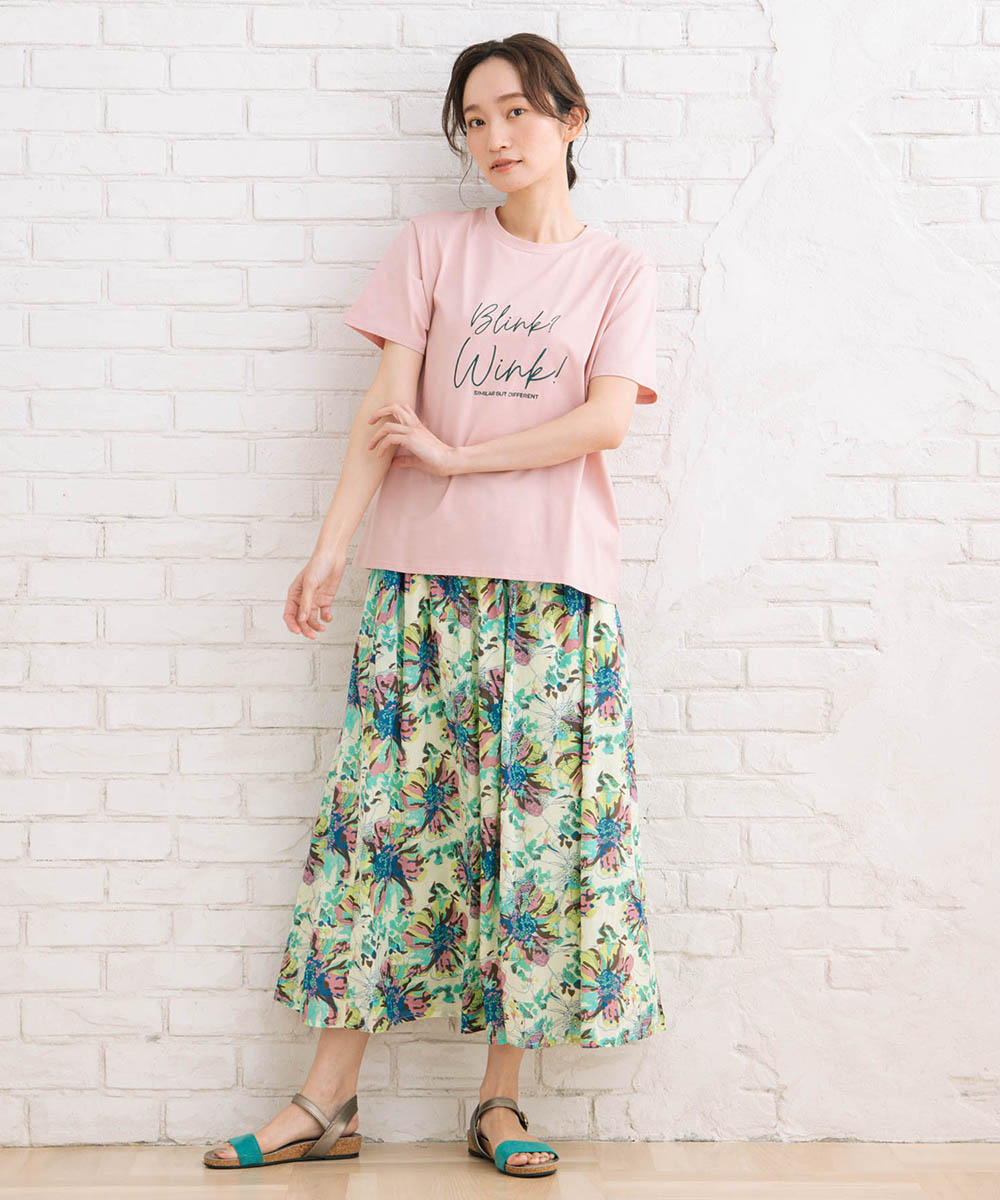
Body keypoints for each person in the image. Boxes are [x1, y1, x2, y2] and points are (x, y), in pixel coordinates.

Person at [204, 31, 667, 1181]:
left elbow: (606, 421)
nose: (494, 137)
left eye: (516, 112)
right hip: (420, 589)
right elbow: (383, 413)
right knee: (380, 833)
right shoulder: (433, 246)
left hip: (555, 595)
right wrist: (330, 550)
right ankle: (325, 1101)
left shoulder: (616, 270)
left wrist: (459, 458)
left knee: (536, 846)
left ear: (570, 119)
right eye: (473, 120)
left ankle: (499, 1102)